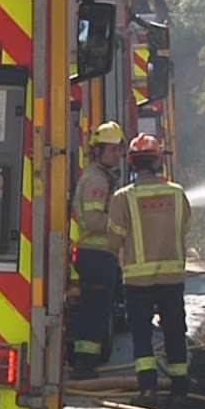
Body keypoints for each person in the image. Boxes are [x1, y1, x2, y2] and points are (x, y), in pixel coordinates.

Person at [107, 133, 193, 408]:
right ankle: (180, 389)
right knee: (175, 330)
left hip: (137, 280)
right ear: (159, 160)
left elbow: (114, 238)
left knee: (141, 334)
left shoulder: (123, 198)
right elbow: (186, 226)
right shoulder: (177, 194)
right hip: (172, 277)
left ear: (132, 163)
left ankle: (147, 390)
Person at [69, 121, 124, 380]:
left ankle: (86, 361)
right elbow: (92, 221)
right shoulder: (96, 181)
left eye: (119, 150)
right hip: (97, 255)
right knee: (95, 310)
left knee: (99, 309)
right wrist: (121, 225)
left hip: (101, 255)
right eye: (112, 150)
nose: (118, 155)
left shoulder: (101, 177)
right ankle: (84, 365)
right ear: (98, 151)